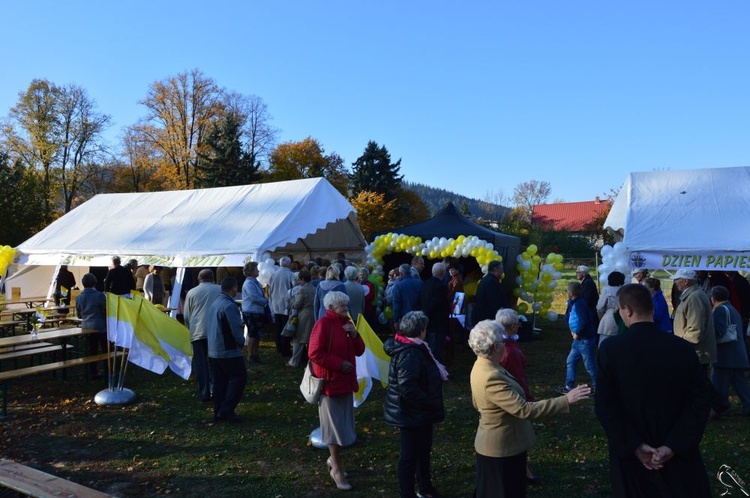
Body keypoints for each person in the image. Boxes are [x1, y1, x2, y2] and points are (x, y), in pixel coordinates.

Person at [595, 284, 711, 498]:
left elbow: (605, 404)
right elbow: (700, 400)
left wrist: (634, 444)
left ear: (627, 310)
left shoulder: (612, 350)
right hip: (677, 452)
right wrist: (674, 444)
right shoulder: (682, 348)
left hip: (633, 455)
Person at [469, 319, 590, 498]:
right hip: (502, 449)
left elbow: (476, 403)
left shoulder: (482, 366)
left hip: (502, 444)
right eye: (502, 341)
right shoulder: (491, 376)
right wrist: (565, 400)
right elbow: (525, 410)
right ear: (495, 347)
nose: (504, 345)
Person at [383, 311, 446, 498]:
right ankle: (408, 493)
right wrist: (428, 403)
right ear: (420, 331)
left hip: (418, 413)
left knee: (423, 451)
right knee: (410, 456)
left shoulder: (415, 348)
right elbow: (408, 387)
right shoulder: (410, 353)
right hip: (411, 413)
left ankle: (425, 488)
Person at [308, 291, 365, 491]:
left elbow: (360, 351)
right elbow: (314, 352)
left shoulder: (346, 323)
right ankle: (337, 468)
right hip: (330, 385)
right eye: (342, 306)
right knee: (333, 430)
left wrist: (355, 334)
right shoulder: (323, 325)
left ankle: (334, 461)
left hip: (345, 384)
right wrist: (340, 365)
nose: (346, 309)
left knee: (343, 426)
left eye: (346, 305)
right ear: (331, 307)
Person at [207, 277, 247, 423]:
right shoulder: (229, 306)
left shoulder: (216, 303)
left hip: (214, 348)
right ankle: (225, 409)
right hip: (228, 350)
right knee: (238, 379)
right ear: (234, 288)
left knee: (220, 383)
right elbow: (235, 328)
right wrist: (241, 341)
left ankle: (220, 410)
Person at [709, 285, 750, 415]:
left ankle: (718, 408)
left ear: (713, 298)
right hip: (737, 353)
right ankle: (748, 405)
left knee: (719, 383)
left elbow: (719, 331)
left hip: (726, 354)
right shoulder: (732, 308)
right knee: (739, 382)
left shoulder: (720, 310)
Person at [183, 269, 221, 402]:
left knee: (200, 363)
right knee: (215, 362)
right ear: (212, 278)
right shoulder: (219, 289)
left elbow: (186, 315)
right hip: (216, 331)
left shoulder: (191, 292)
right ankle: (216, 389)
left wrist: (191, 328)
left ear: (199, 279)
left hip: (197, 332)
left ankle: (204, 392)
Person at [563, 281, 597, 393]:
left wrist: (577, 333)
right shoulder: (574, 303)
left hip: (584, 339)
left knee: (590, 365)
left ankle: (598, 388)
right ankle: (568, 385)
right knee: (570, 361)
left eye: (568, 291)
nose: (567, 292)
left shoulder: (580, 305)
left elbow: (583, 321)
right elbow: (569, 318)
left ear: (571, 292)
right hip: (578, 340)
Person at [496, 309, 534, 401]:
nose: (519, 326)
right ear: (513, 327)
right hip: (511, 394)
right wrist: (529, 398)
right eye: (518, 324)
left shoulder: (496, 343)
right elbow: (517, 376)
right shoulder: (511, 351)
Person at [75, 273, 107, 379]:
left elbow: (79, 315)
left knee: (91, 349)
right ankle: (108, 369)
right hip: (100, 325)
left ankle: (93, 371)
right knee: (105, 348)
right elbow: (105, 311)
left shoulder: (79, 298)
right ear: (95, 283)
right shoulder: (100, 296)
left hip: (86, 326)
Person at [418, 262, 450, 362]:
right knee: (436, 351)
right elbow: (440, 305)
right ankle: (436, 371)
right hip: (437, 323)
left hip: (426, 322)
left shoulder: (425, 283)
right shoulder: (442, 287)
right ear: (443, 273)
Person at [241, 262, 267, 365]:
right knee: (252, 334)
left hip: (257, 310)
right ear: (251, 271)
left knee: (257, 334)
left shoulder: (255, 282)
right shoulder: (248, 283)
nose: (258, 271)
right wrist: (265, 301)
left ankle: (255, 353)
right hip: (251, 311)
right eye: (256, 269)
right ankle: (251, 355)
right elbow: (253, 297)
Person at [269, 256, 296, 358]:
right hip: (286, 305)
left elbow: (270, 290)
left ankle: (279, 347)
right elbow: (293, 289)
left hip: (276, 303)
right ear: (289, 264)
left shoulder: (274, 275)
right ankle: (285, 349)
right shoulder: (290, 275)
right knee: (286, 328)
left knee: (278, 327)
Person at [289, 269, 315, 368]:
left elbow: (296, 305)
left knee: (299, 339)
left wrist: (291, 300)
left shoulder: (302, 290)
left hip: (304, 315)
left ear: (302, 279)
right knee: (310, 340)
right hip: (313, 315)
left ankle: (294, 361)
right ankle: (311, 361)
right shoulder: (315, 288)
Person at [596, 271, 625, 345]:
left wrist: (601, 318)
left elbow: (600, 307)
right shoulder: (625, 290)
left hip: (609, 318)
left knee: (604, 342)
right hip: (623, 318)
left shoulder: (606, 290)